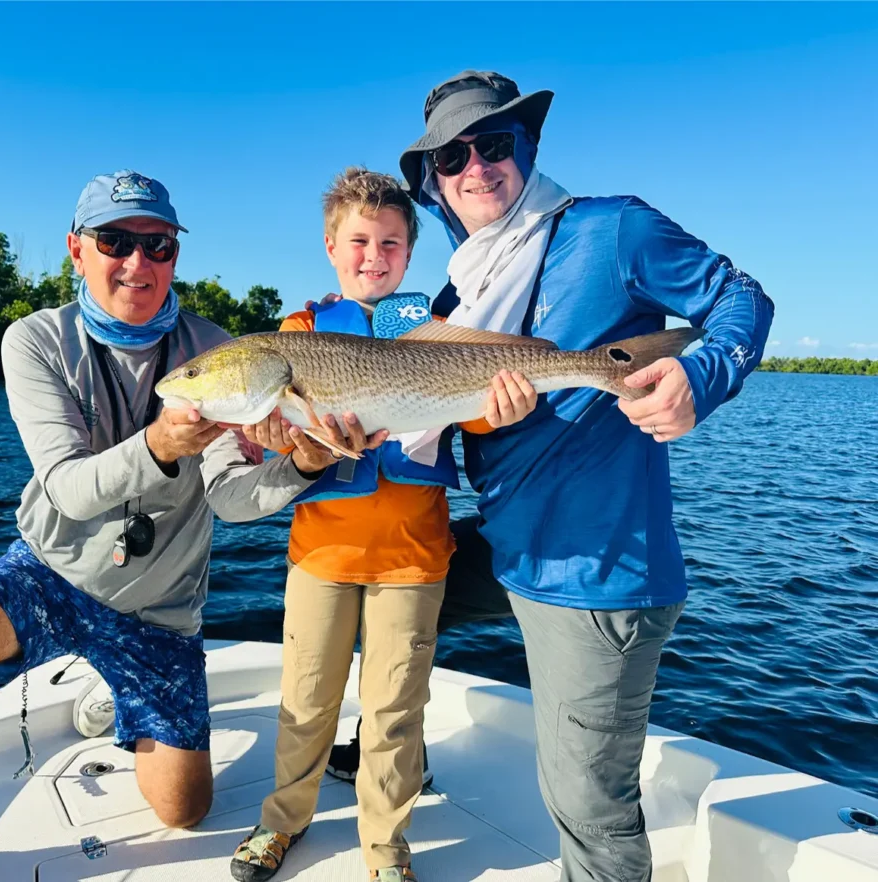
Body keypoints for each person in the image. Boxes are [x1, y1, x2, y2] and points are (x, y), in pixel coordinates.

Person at [326, 71, 775, 882]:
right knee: (381, 609)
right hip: (506, 545)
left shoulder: (612, 231)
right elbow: (429, 379)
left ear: (526, 146)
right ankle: (396, 755)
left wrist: (699, 376)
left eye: (493, 143)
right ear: (433, 184)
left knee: (586, 806)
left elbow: (742, 298)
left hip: (595, 572)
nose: (476, 166)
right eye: (452, 156)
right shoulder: (459, 290)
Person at [0, 170, 335, 882]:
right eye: (115, 240)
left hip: (160, 607)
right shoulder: (34, 341)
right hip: (49, 570)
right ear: (76, 249)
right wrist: (157, 446)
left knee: (184, 810)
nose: (138, 262)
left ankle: (113, 684)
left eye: (158, 246)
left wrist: (300, 467)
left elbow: (233, 499)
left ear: (176, 255)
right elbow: (66, 488)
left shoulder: (220, 350)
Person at [228, 168, 534, 882]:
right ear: (331, 247)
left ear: (408, 252)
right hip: (321, 555)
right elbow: (279, 445)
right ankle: (282, 822)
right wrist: (286, 438)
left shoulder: (426, 329)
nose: (374, 255)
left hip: (415, 557)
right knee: (305, 701)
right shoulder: (297, 336)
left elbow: (480, 407)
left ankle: (385, 848)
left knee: (396, 712)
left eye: (391, 242)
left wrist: (508, 402)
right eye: (360, 240)